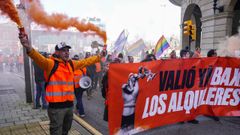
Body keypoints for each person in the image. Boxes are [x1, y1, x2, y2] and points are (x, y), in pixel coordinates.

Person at [19, 33, 102, 135]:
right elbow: (38, 58)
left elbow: (85, 62)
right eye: (63, 50)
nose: (67, 53)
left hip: (69, 106)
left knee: (65, 131)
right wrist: (28, 47)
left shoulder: (71, 64)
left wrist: (99, 57)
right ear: (57, 52)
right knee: (56, 132)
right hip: (56, 109)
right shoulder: (50, 63)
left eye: (67, 50)